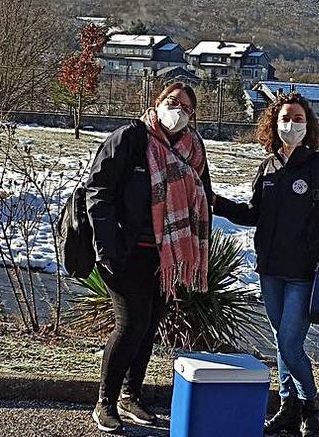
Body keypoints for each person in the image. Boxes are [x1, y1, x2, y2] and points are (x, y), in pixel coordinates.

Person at [213, 92, 319, 437]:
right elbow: (254, 214)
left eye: (298, 119)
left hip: (306, 273)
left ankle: (311, 409)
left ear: (308, 125)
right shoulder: (268, 167)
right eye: (284, 119)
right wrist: (215, 202)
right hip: (271, 270)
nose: (291, 125)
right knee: (281, 342)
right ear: (273, 125)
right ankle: (288, 409)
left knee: (291, 345)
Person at [84, 82, 212, 433]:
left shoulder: (193, 150)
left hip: (167, 258)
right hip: (124, 254)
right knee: (131, 325)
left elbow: (206, 196)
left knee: (149, 326)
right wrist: (107, 250)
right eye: (172, 102)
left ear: (193, 116)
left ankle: (131, 395)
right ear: (157, 102)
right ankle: (104, 402)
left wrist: (256, 212)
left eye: (186, 107)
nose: (178, 110)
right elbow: (98, 192)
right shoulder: (130, 138)